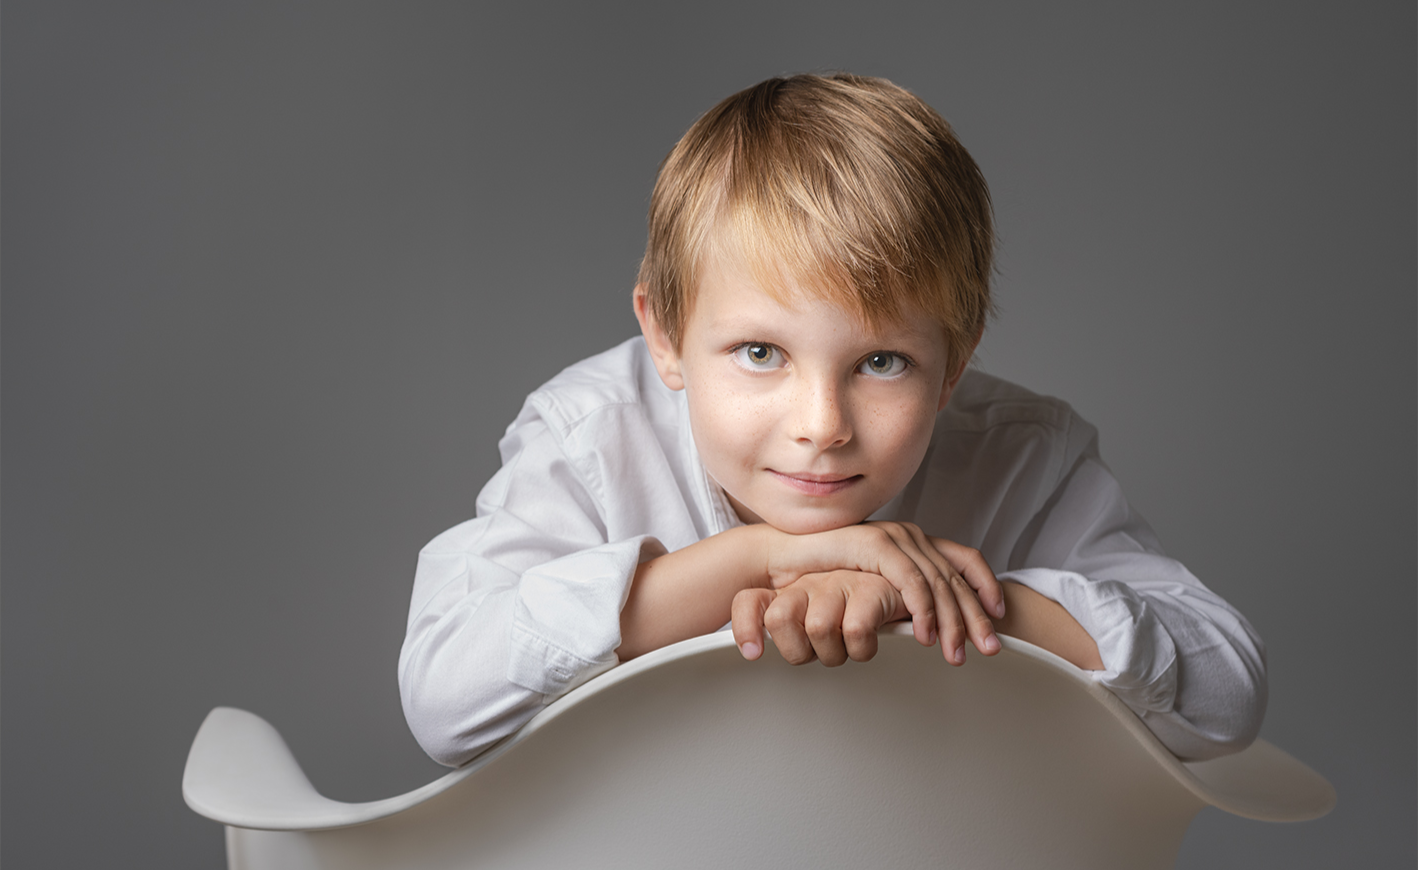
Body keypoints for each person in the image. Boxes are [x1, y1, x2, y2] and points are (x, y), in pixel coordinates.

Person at [398, 73, 1266, 769]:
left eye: (882, 363)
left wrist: (937, 600)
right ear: (665, 336)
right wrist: (769, 558)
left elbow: (1228, 693)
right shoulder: (593, 435)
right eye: (760, 353)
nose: (822, 425)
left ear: (953, 364)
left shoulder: (1023, 453)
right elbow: (445, 702)